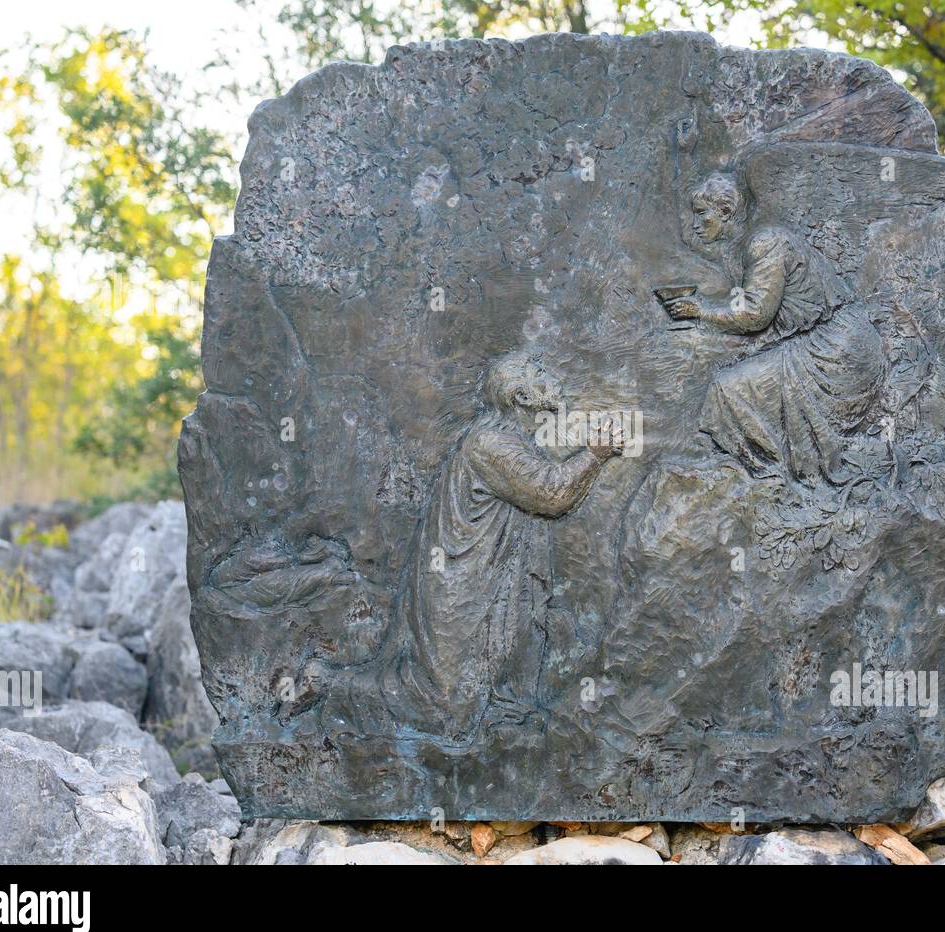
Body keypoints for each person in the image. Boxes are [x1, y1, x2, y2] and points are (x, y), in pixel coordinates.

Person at [323, 352, 623, 743]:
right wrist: (595, 455)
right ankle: (332, 685)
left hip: (486, 581)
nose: (550, 375)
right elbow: (551, 494)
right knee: (444, 704)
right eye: (538, 373)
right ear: (522, 397)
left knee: (485, 693)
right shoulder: (491, 444)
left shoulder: (514, 438)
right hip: (461, 589)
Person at [662, 172, 886, 488]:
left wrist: (702, 311)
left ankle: (770, 472)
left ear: (725, 213)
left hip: (838, 350)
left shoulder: (765, 243)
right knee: (733, 378)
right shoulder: (742, 247)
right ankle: (763, 468)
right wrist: (683, 150)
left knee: (729, 387)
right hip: (820, 340)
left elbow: (755, 315)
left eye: (702, 214)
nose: (695, 223)